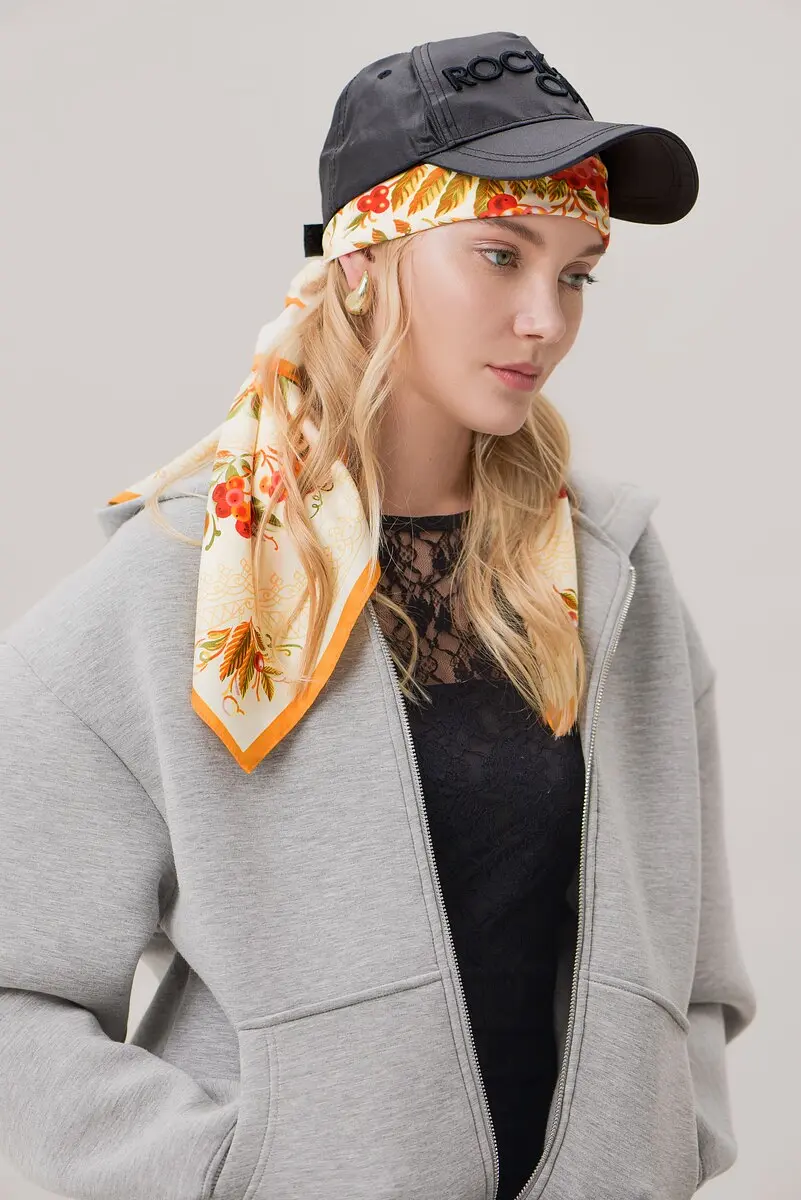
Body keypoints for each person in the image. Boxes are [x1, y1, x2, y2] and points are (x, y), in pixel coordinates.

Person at [0, 29, 756, 1200]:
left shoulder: (610, 571)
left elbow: (691, 964)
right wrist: (223, 1177)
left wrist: (667, 1136)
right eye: (499, 256)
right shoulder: (189, 576)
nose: (546, 319)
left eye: (576, 274)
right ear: (363, 257)